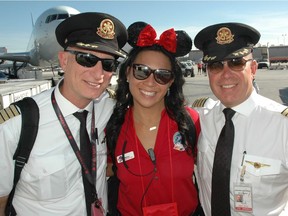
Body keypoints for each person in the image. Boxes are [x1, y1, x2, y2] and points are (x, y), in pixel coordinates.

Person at [0, 12, 127, 216]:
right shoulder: (17, 125)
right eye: (86, 59)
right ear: (64, 61)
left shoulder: (108, 107)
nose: (98, 74)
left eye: (108, 64)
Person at [105, 21, 201, 216]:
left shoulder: (191, 121)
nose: (150, 82)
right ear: (128, 73)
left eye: (162, 75)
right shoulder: (111, 126)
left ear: (171, 82)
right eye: (141, 71)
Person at [192, 22, 288, 216]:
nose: (226, 74)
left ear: (253, 69)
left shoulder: (282, 126)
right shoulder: (200, 117)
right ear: (207, 71)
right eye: (215, 65)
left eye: (236, 63)